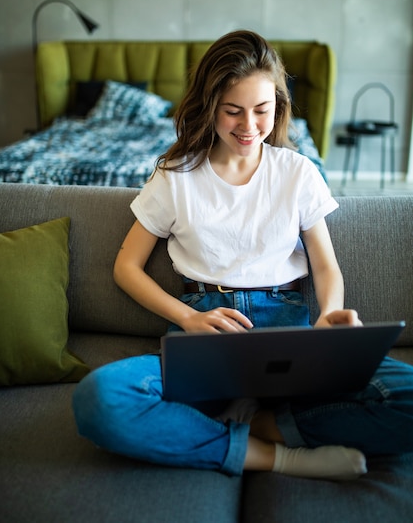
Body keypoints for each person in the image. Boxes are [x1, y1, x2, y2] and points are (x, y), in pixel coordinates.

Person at [73, 30, 413, 480]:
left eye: (262, 110)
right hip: (204, 338)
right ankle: (276, 456)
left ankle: (268, 425)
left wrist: (329, 319)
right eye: (233, 111)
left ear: (279, 105)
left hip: (289, 336)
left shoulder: (297, 172)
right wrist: (189, 318)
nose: (249, 126)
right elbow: (126, 266)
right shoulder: (175, 176)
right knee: (99, 399)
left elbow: (325, 264)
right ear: (209, 105)